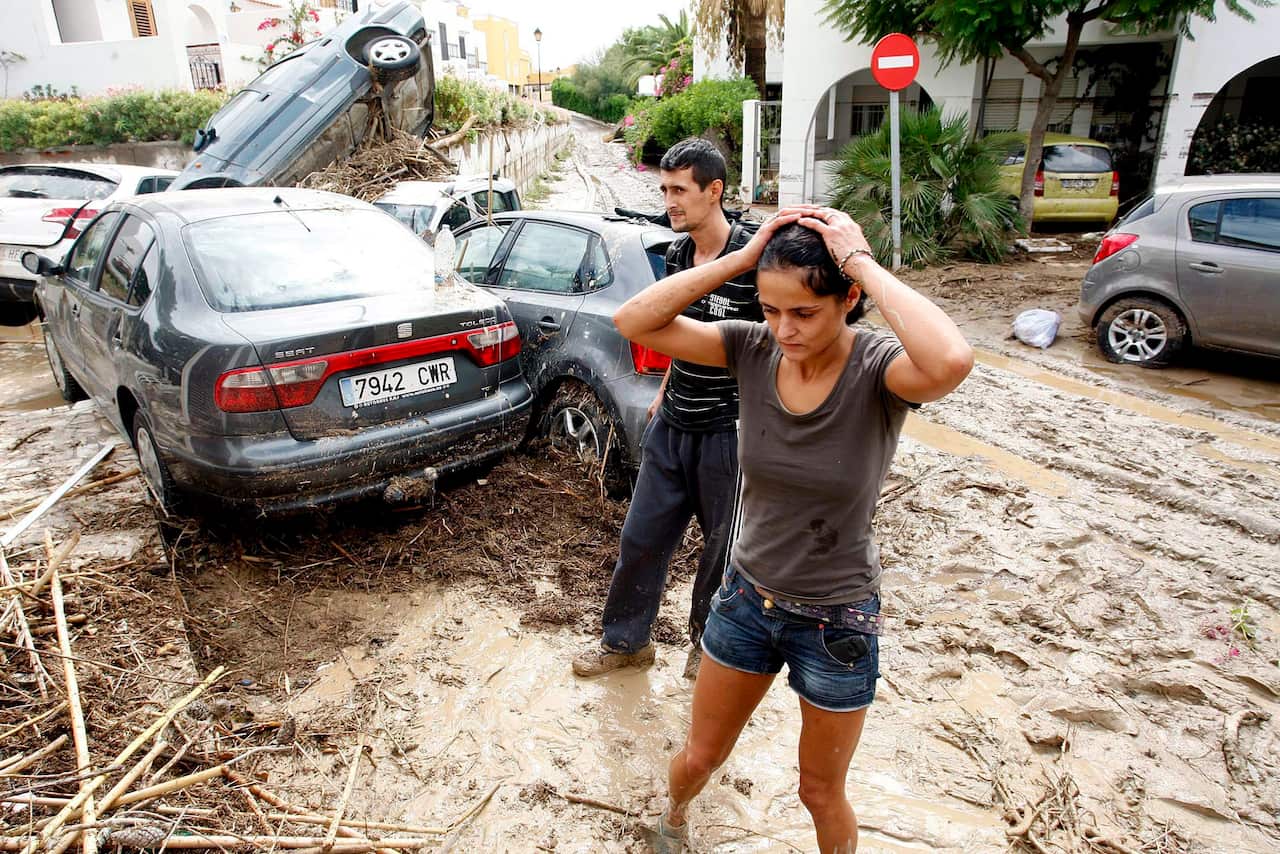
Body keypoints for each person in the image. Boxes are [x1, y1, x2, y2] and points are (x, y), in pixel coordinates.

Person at [612, 207, 974, 852]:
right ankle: (672, 823)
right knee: (699, 758)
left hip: (838, 620)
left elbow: (949, 359)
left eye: (804, 313)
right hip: (746, 603)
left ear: (848, 299)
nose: (785, 330)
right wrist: (743, 256)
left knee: (819, 792)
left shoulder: (879, 369)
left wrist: (860, 260)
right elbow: (634, 320)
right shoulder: (751, 348)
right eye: (771, 309)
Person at [572, 138, 763, 680]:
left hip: (729, 431)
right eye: (664, 189)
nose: (669, 201)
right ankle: (626, 643)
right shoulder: (678, 255)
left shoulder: (754, 259)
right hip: (673, 421)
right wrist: (664, 389)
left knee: (721, 551)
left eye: (679, 189)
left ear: (714, 190)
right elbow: (670, 326)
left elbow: (778, 343)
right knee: (642, 537)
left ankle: (708, 653)